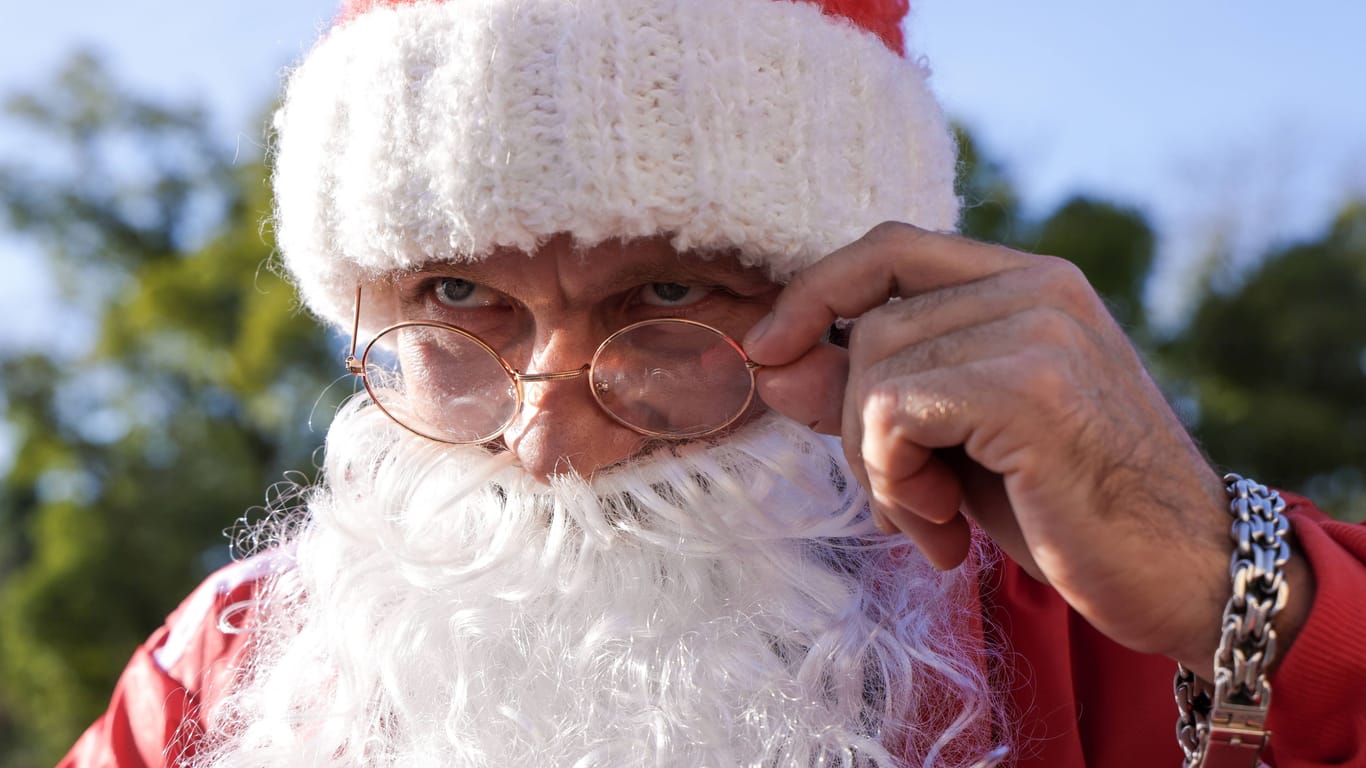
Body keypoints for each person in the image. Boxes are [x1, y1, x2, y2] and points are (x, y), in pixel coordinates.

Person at [59, 0, 1366, 766]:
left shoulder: (1109, 618)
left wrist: (1218, 589)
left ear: (866, 303)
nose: (548, 435)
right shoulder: (224, 666)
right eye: (457, 297)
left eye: (668, 296)